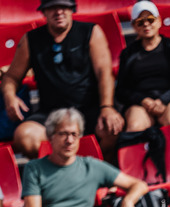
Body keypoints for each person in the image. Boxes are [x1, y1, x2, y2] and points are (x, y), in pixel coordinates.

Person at [1, 0, 124, 160]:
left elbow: (104, 73)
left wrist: (107, 107)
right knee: (25, 137)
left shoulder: (91, 32)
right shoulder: (31, 40)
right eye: (52, 8)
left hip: (89, 108)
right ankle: (60, 175)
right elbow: (11, 77)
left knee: (112, 127)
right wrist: (10, 97)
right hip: (52, 113)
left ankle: (98, 173)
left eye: (63, 7)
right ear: (43, 12)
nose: (59, 12)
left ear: (72, 9)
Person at [22, 107, 148, 207]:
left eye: (74, 134)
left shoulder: (92, 166)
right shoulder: (34, 168)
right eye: (63, 134)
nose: (69, 140)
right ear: (51, 137)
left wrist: (128, 202)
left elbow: (139, 185)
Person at [115, 1, 170, 184]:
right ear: (134, 26)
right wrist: (143, 100)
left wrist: (163, 100)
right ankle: (132, 181)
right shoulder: (128, 54)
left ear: (159, 21)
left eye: (150, 20)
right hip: (140, 103)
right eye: (140, 22)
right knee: (135, 125)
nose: (146, 25)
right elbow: (121, 90)